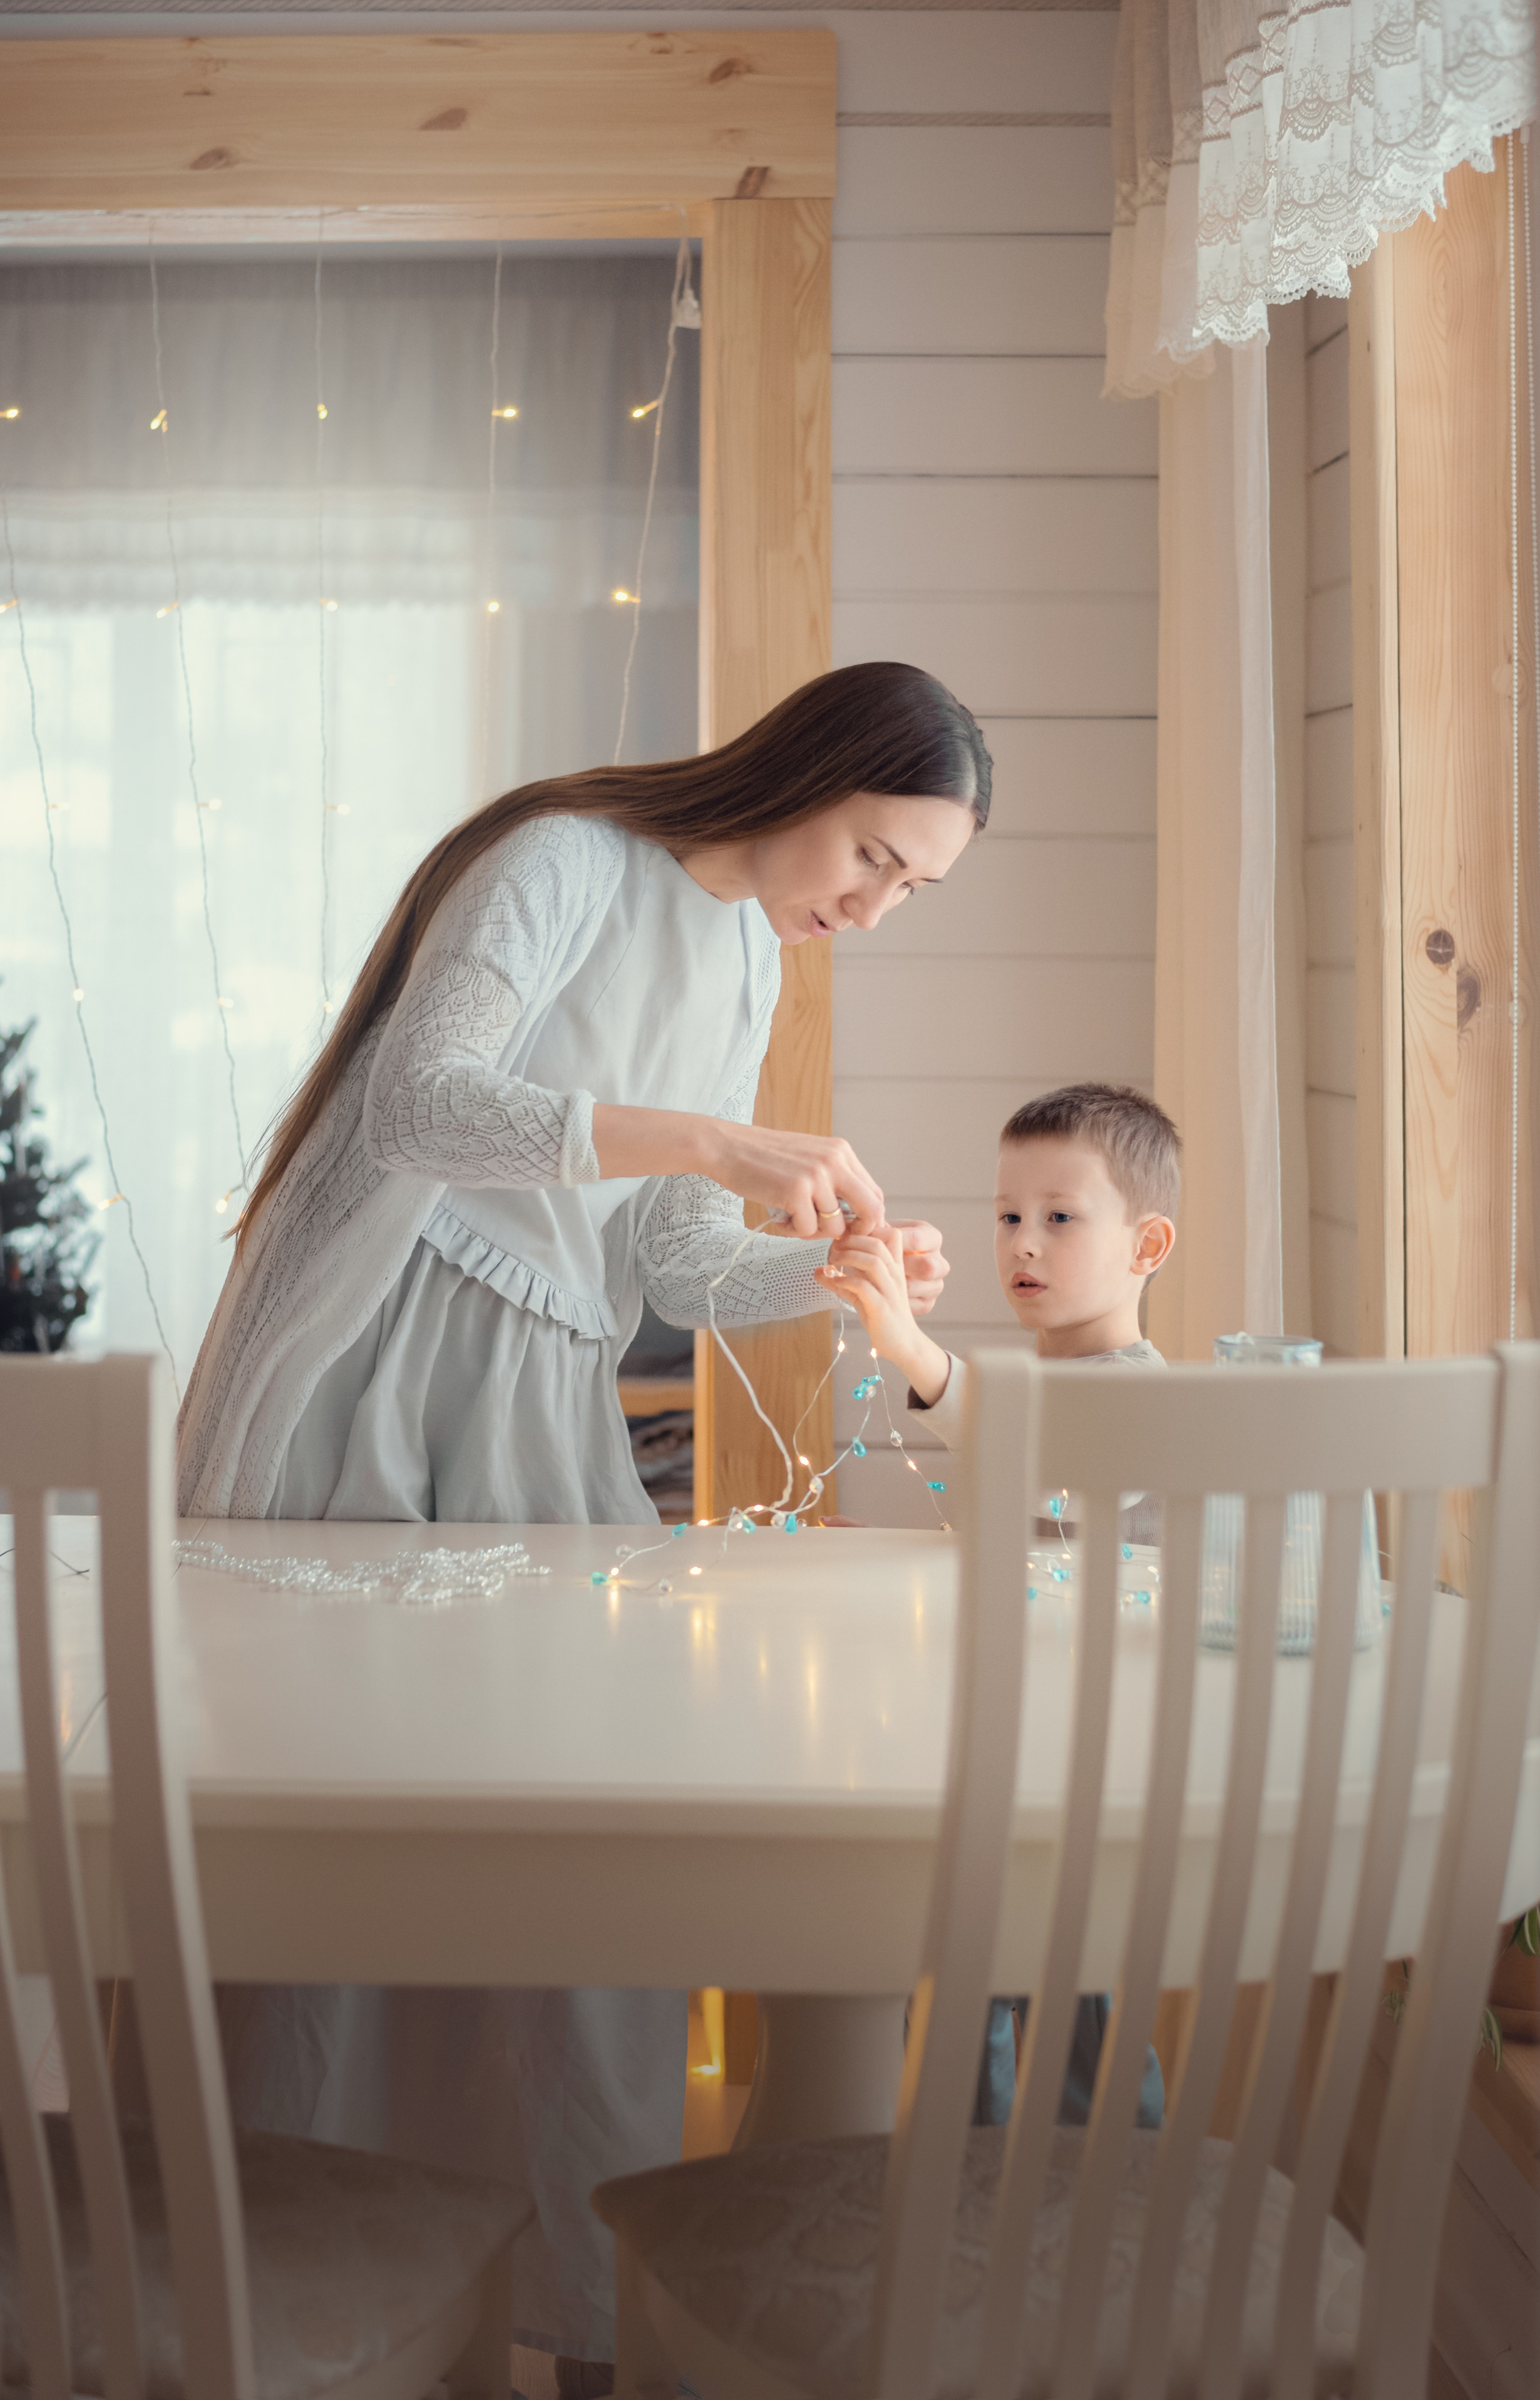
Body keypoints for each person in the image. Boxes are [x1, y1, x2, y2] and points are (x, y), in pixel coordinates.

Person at [177, 661, 990, 2385]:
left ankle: (557, 2313)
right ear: (812, 774)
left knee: (570, 1883)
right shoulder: (559, 861)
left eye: (912, 888)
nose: (877, 903)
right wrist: (713, 1134)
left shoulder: (754, 955)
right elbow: (419, 1107)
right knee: (320, 1859)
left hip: (540, 1390)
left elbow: (659, 1259)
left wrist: (835, 1275)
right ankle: (279, 2296)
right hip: (380, 1369)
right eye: (877, 853)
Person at [819, 1080, 1179, 2130]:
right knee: (974, 1990)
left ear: (1147, 1244)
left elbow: (1051, 1459)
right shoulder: (1046, 1386)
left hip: (1084, 1772)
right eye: (1010, 1215)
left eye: (1061, 1217)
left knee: (1072, 2013)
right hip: (1011, 1754)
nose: (1025, 1241)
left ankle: (1094, 2195)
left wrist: (916, 1355)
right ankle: (976, 2183)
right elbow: (1018, 1535)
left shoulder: (1136, 1393)